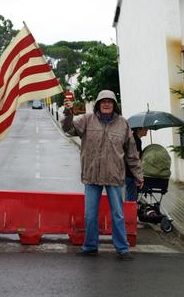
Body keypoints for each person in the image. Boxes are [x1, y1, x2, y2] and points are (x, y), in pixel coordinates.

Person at [61, 89, 144, 261]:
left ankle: (122, 249)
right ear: (98, 104)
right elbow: (68, 129)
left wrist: (138, 174)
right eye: (103, 101)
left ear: (114, 104)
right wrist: (68, 112)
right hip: (92, 175)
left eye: (110, 101)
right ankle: (90, 246)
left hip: (114, 176)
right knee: (90, 214)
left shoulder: (123, 124)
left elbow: (131, 152)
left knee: (118, 214)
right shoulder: (87, 120)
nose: (106, 104)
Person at [125, 127, 148, 201]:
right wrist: (138, 176)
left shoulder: (133, 137)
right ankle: (129, 212)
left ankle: (127, 211)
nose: (147, 130)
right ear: (139, 129)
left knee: (129, 194)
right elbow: (136, 159)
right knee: (131, 197)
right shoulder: (136, 141)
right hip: (131, 173)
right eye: (145, 129)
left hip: (128, 171)